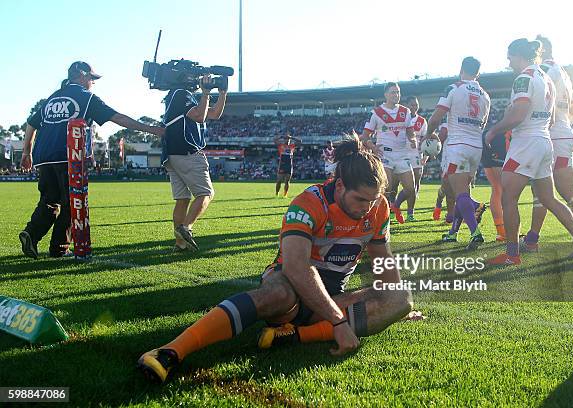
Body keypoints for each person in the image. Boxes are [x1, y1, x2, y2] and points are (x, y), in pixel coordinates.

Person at [137, 135, 414, 383]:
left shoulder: (378, 210)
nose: (367, 209)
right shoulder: (309, 203)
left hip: (330, 299)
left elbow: (384, 262)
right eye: (361, 200)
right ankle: (171, 350)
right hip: (290, 290)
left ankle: (292, 336)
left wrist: (396, 306)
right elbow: (296, 267)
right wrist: (339, 322)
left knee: (400, 297)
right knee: (280, 293)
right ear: (339, 186)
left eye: (374, 201)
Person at [19, 61, 165, 259]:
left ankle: (31, 233)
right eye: (91, 79)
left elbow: (31, 124)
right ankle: (59, 248)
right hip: (68, 155)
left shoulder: (53, 98)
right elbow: (118, 118)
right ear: (81, 76)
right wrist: (152, 129)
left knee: (49, 200)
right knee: (72, 203)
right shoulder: (86, 97)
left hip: (44, 157)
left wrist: (26, 152)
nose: (93, 83)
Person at [484, 38, 573, 265]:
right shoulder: (546, 79)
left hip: (526, 143)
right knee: (549, 198)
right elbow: (553, 117)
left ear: (519, 56)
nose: (508, 61)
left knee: (508, 198)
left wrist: (493, 130)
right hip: (545, 142)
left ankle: (512, 254)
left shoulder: (524, 78)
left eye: (510, 56)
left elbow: (519, 112)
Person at [520, 35, 573, 252]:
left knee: (541, 191)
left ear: (541, 52)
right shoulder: (564, 73)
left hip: (549, 134)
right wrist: (565, 127)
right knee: (569, 191)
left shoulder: (544, 72)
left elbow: (542, 104)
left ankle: (532, 241)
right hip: (564, 133)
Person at [426, 57, 491, 250]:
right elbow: (484, 124)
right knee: (463, 190)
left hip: (458, 145)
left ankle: (475, 232)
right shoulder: (485, 95)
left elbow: (436, 117)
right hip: (475, 147)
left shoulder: (453, 88)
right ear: (478, 73)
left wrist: (429, 135)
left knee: (459, 193)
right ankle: (453, 233)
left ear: (461, 69)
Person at [162, 75, 227, 252]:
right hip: (187, 151)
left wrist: (222, 93)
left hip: (173, 154)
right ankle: (186, 227)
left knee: (182, 199)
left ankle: (180, 243)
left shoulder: (174, 95)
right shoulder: (181, 94)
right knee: (206, 193)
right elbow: (200, 116)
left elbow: (213, 114)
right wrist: (206, 93)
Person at [360, 82, 417, 224]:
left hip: (402, 155)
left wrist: (413, 139)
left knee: (411, 189)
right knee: (388, 188)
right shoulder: (376, 113)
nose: (396, 95)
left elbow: (411, 133)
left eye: (398, 92)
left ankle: (395, 206)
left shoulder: (406, 111)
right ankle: (379, 218)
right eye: (393, 92)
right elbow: (364, 137)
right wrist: (373, 147)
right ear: (385, 94)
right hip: (385, 155)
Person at [391, 96, 428, 222]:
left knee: (414, 186)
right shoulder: (398, 118)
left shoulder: (422, 121)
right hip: (399, 155)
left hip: (416, 157)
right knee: (393, 185)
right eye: (412, 105)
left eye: (416, 105)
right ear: (406, 105)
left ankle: (410, 214)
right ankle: (392, 209)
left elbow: (427, 140)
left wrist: (426, 157)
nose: (414, 107)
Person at [481, 125, 511, 242]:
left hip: (491, 134)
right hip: (498, 136)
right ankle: (504, 231)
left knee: (497, 189)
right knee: (502, 189)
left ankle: (501, 231)